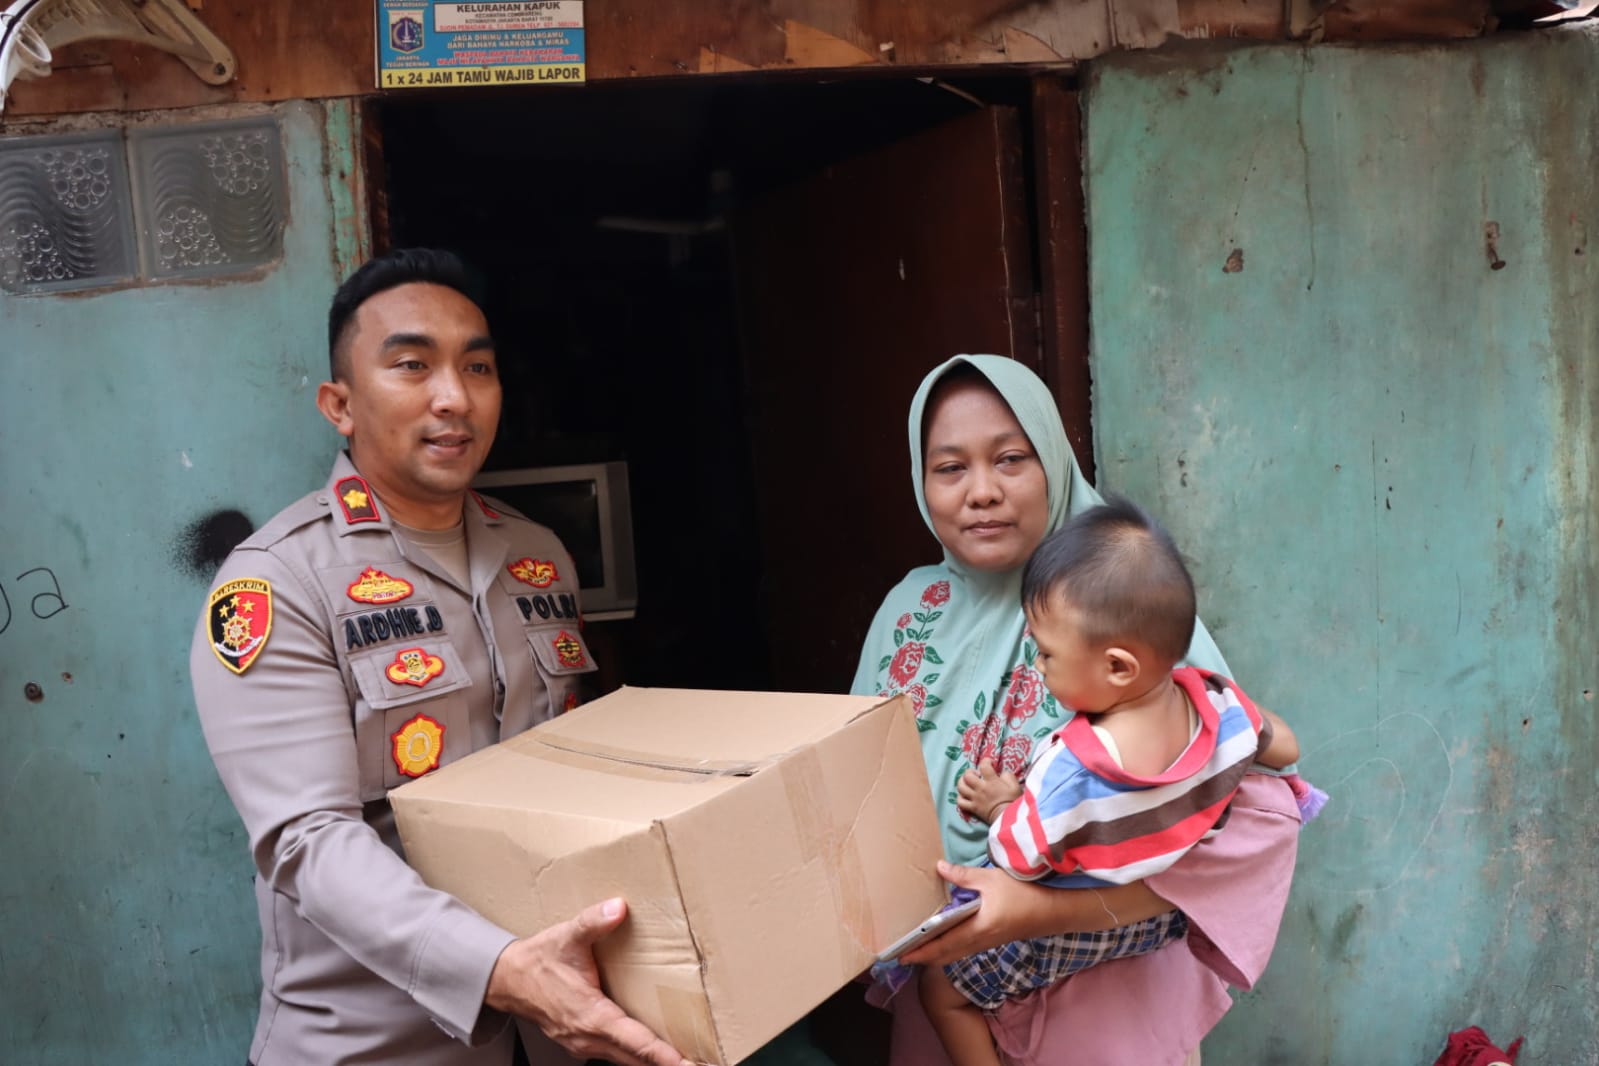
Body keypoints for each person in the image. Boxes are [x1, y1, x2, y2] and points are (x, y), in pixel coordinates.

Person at [189, 248, 690, 1066]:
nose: (454, 397)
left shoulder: (537, 554)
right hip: (377, 1044)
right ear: (339, 405)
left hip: (561, 1031)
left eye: (478, 367)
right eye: (412, 365)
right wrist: (498, 969)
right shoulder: (278, 582)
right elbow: (307, 839)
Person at [851, 355, 1305, 1065]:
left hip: (1104, 995)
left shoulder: (1123, 612)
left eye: (1010, 459)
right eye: (948, 468)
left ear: (1055, 463)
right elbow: (851, 797)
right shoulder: (908, 610)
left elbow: (1242, 837)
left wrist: (1041, 911)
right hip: (944, 984)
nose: (981, 492)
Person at [919, 497, 1300, 1066]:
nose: (1039, 667)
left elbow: (1021, 857)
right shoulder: (1218, 702)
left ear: (1119, 666)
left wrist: (1004, 805)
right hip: (1161, 925)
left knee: (940, 990)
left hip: (1075, 924)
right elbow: (1286, 747)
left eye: (1047, 654)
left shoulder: (1074, 768)